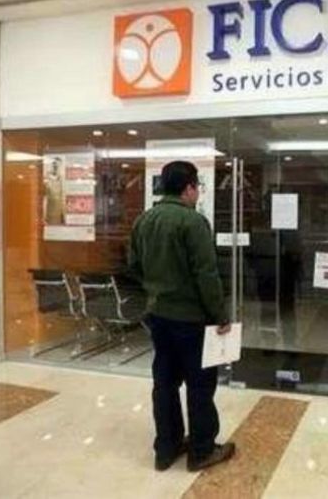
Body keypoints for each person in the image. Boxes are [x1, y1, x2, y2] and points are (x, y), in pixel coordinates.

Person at [128, 161, 236, 472]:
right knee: (200, 386)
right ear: (189, 187)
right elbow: (206, 275)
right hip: (191, 320)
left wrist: (155, 290)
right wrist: (220, 314)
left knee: (164, 382)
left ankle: (167, 447)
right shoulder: (193, 222)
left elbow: (133, 265)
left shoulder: (143, 220)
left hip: (158, 316)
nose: (197, 192)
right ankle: (201, 450)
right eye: (196, 186)